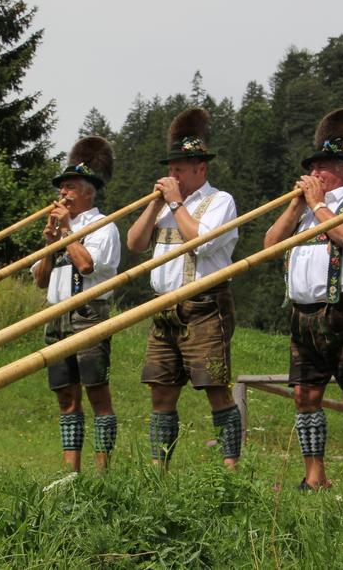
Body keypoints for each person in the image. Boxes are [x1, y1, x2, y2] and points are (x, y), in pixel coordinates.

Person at [263, 108, 343, 491]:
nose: (316, 174)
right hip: (304, 316)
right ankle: (314, 476)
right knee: (305, 395)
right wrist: (295, 206)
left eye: (325, 166)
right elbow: (270, 247)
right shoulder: (304, 213)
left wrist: (318, 205)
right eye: (313, 166)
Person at [126, 107, 241, 468]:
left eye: (180, 168)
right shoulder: (164, 207)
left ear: (200, 169)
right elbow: (134, 243)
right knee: (161, 390)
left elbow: (201, 242)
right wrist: (154, 204)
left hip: (204, 305)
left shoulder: (220, 201)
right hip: (162, 308)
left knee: (215, 388)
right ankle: (158, 470)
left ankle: (230, 471)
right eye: (170, 168)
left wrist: (175, 202)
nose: (172, 174)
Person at [32, 136, 120, 472]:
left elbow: (86, 266)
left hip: (88, 314)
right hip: (55, 316)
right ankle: (72, 471)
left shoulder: (103, 226)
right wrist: (50, 246)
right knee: (66, 397)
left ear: (88, 191)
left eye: (70, 188)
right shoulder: (57, 229)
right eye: (62, 188)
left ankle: (103, 470)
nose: (63, 194)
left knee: (97, 393)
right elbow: (40, 279)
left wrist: (67, 233)